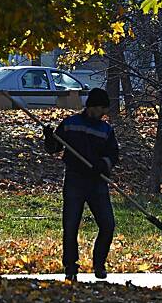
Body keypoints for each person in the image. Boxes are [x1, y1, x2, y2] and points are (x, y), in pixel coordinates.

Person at [43, 88, 119, 281]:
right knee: (70, 225)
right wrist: (49, 137)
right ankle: (70, 266)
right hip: (74, 180)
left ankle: (99, 264)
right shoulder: (70, 124)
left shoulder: (106, 130)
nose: (104, 113)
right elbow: (53, 149)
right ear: (93, 106)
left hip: (97, 182)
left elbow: (113, 156)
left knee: (107, 224)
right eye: (102, 108)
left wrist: (102, 165)